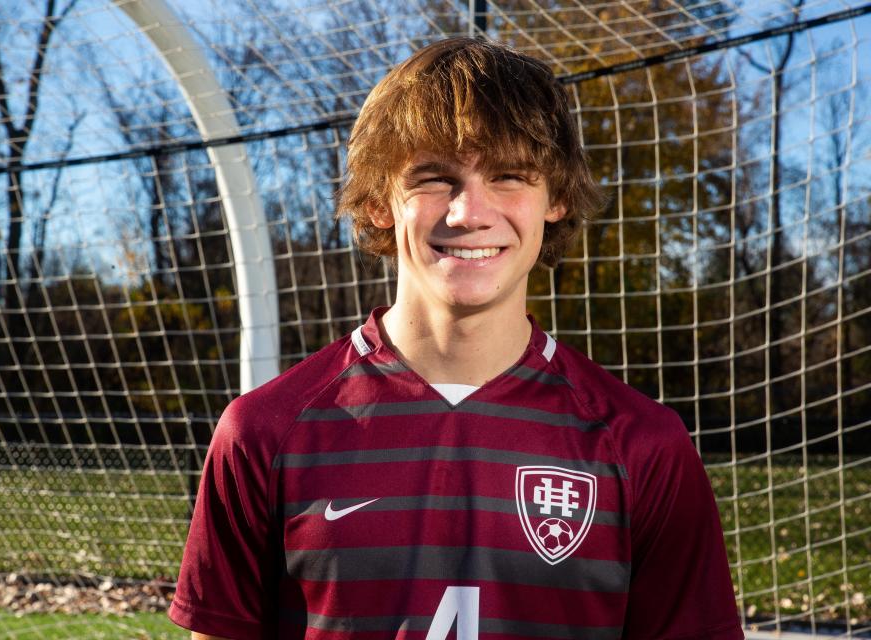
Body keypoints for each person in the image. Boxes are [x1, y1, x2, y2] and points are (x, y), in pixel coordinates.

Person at [168, 37, 743, 640]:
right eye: (435, 178)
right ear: (376, 202)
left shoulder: (643, 445)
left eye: (509, 176)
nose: (470, 212)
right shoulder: (263, 431)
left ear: (559, 198)